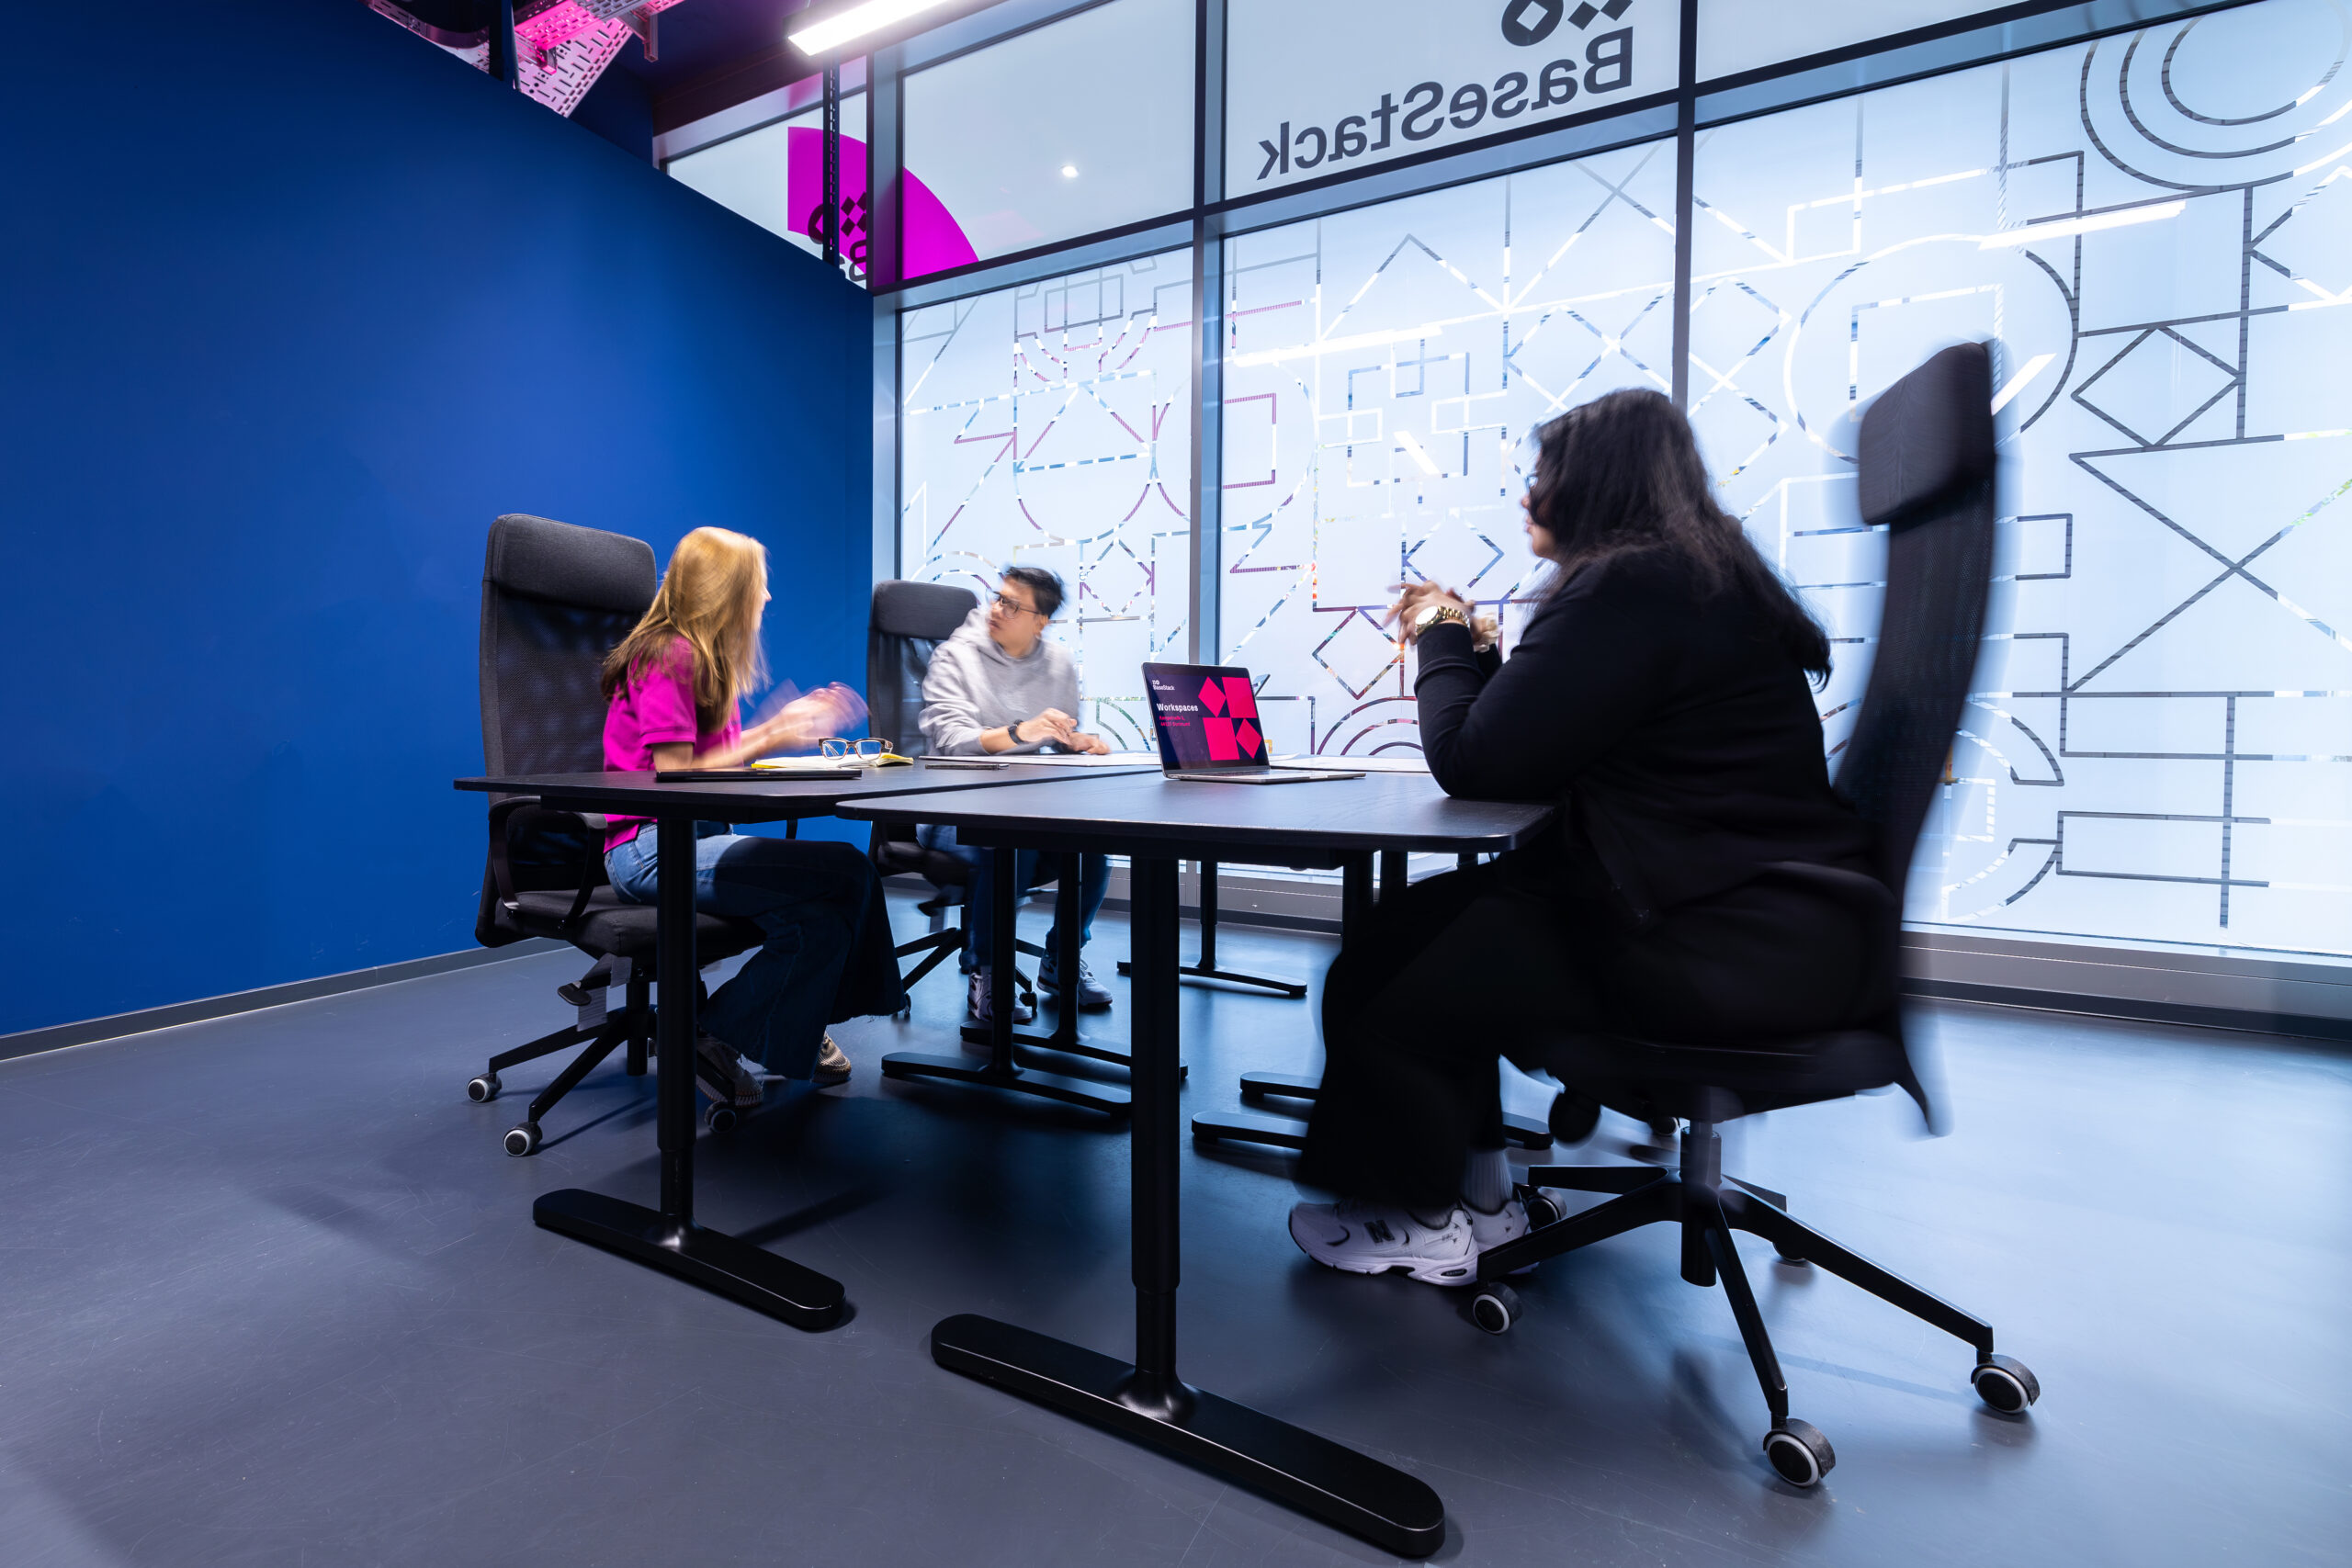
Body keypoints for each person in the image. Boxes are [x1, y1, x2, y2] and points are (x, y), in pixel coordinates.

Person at [1286, 389, 1876, 1286]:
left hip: (1693, 944)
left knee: (1393, 965)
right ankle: (1479, 1208)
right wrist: (1480, 651)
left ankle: (1416, 1218)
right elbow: (1537, 741)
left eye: (1541, 476)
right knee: (1424, 929)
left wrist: (1441, 633)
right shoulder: (1699, 578)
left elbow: (1475, 763)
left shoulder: (1629, 583)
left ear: (1594, 485)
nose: (1528, 495)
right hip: (1761, 926)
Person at [600, 526, 906, 1110]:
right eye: (759, 586)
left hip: (695, 839)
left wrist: (785, 739)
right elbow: (677, 773)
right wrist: (773, 731)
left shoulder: (706, 662)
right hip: (648, 851)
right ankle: (711, 1035)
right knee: (846, 870)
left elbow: (718, 769)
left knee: (823, 914)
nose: (766, 599)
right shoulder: (670, 653)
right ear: (727, 590)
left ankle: (787, 1022)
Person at [915, 564, 1115, 1024]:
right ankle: (988, 971)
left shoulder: (1060, 664)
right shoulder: (955, 657)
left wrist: (1076, 742)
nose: (997, 609)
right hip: (953, 808)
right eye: (997, 597)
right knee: (1011, 839)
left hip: (1029, 802)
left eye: (1012, 603)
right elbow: (949, 739)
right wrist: (1021, 731)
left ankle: (1061, 959)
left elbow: (1054, 738)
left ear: (1040, 621)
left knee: (1094, 847)